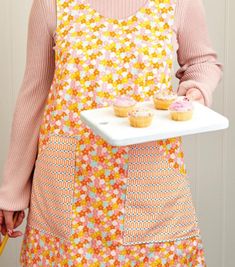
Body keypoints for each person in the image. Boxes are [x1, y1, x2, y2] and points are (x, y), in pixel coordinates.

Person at [0, 0, 222, 265]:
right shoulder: (51, 3)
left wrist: (196, 89)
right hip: (67, 185)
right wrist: (12, 191)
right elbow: (34, 92)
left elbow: (202, 62)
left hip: (149, 175)